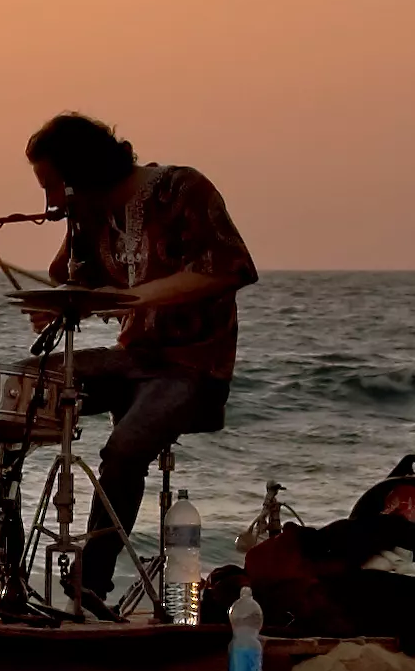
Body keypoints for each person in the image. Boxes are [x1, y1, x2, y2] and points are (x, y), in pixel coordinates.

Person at [25, 111, 257, 611]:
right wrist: (54, 302)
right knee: (17, 387)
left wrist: (139, 297)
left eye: (55, 186)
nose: (49, 202)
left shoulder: (182, 190)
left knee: (125, 449)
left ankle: (91, 581)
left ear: (83, 172)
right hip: (132, 358)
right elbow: (74, 279)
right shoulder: (88, 214)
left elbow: (229, 268)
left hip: (193, 364)